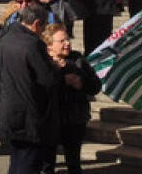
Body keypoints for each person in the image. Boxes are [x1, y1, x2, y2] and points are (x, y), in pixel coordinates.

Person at [0, 5, 63, 174]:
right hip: (29, 115)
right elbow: (48, 79)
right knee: (28, 163)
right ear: (37, 23)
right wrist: (56, 68)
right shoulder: (33, 44)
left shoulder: (4, 39)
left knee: (16, 161)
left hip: (8, 111)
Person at [41, 23, 101, 174]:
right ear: (49, 46)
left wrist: (80, 83)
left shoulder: (78, 59)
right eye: (61, 41)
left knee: (73, 163)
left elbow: (95, 86)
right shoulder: (42, 62)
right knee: (46, 163)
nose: (67, 43)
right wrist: (61, 80)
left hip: (75, 118)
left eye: (67, 39)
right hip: (50, 119)